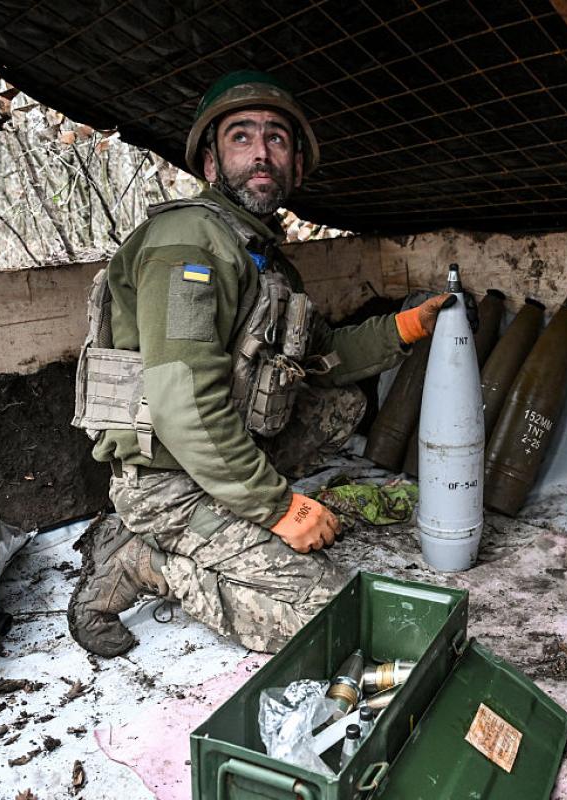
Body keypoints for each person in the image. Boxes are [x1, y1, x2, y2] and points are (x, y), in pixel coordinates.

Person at [67, 71, 451, 656]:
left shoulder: (261, 256)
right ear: (213, 164)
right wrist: (280, 508)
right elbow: (185, 405)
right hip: (172, 481)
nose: (262, 152)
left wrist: (404, 328)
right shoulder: (189, 243)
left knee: (339, 403)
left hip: (214, 468)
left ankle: (184, 528)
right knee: (329, 621)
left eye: (277, 138)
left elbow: (323, 356)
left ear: (296, 164)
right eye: (241, 137)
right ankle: (145, 560)